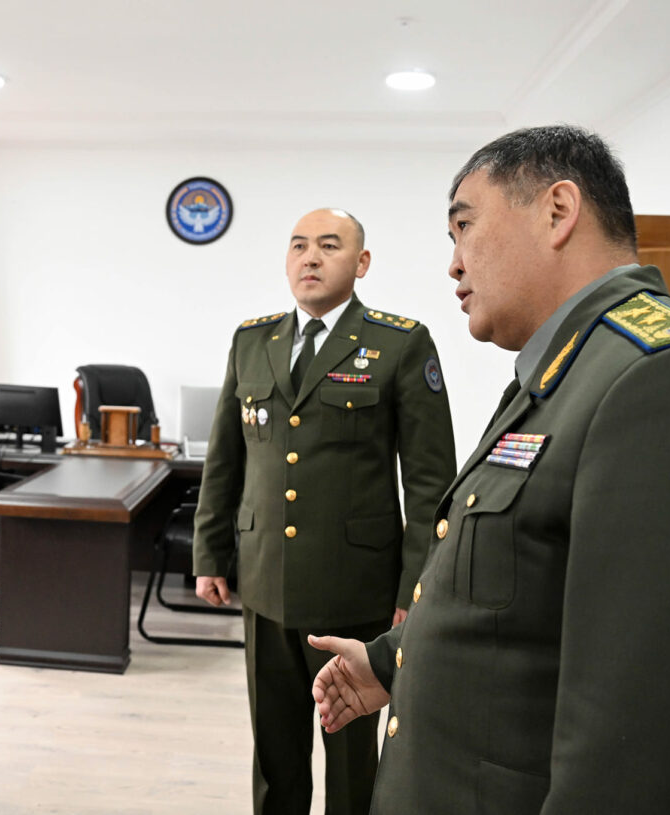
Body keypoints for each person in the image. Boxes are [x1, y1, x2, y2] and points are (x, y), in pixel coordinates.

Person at [310, 125, 670, 813]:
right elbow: (521, 589)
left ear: (558, 211)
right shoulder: (563, 370)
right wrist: (393, 659)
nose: (454, 264)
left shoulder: (658, 374)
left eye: (465, 227)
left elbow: (635, 728)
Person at [192, 208, 456, 814]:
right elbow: (225, 458)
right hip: (264, 584)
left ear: (361, 263)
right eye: (298, 245)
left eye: (329, 245)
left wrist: (415, 589)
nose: (310, 257)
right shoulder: (252, 340)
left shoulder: (399, 343)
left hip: (356, 593)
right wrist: (209, 552)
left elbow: (429, 482)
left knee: (352, 764)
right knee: (274, 755)